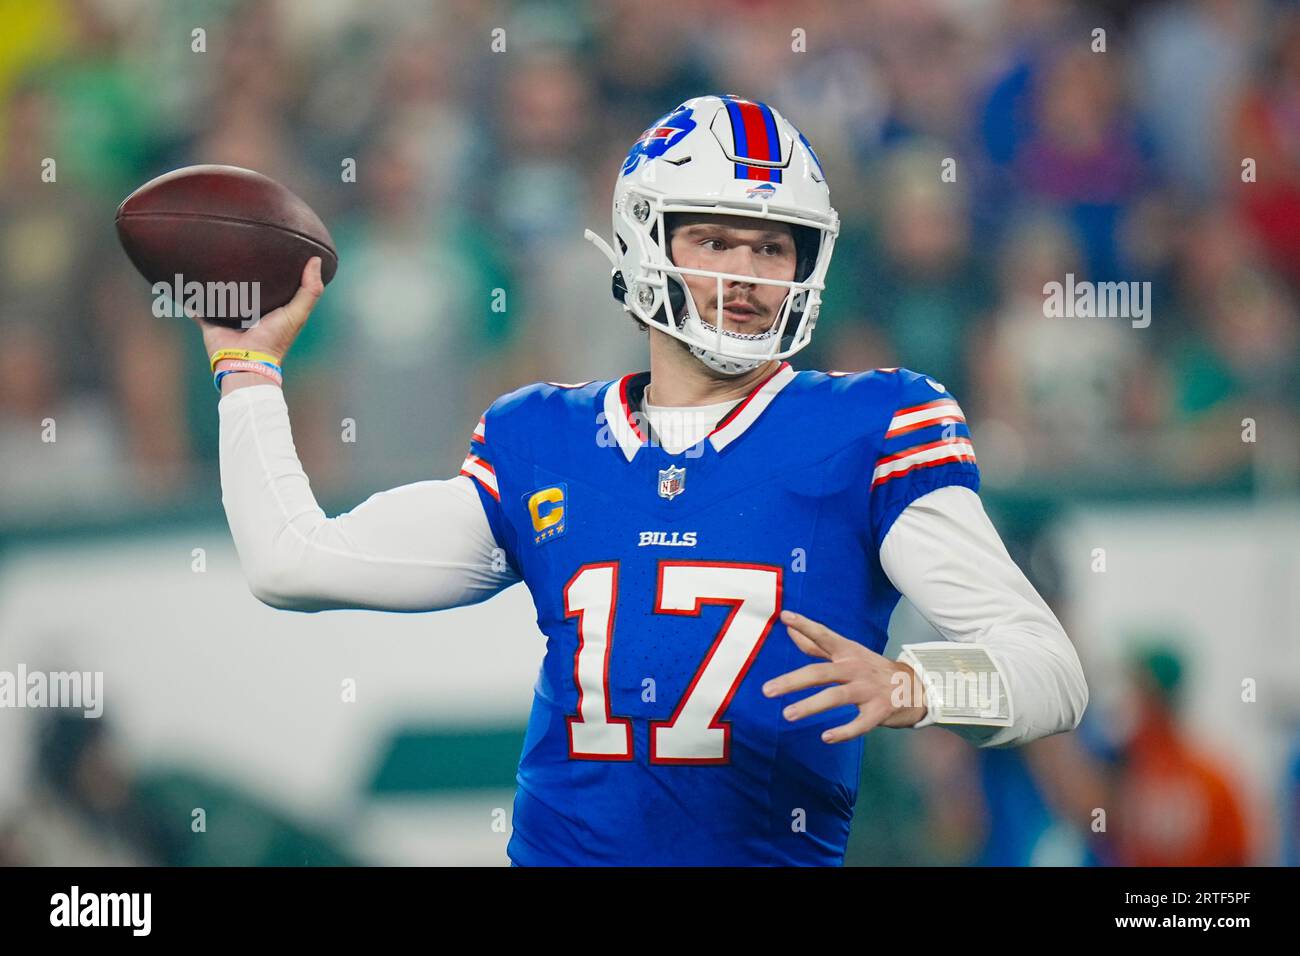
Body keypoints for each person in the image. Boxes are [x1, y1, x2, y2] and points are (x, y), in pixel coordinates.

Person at [201, 95, 1088, 866]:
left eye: (773, 248)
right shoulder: (543, 442)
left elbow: (1050, 671)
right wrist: (248, 368)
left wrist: (916, 686)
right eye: (713, 240)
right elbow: (292, 561)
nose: (744, 276)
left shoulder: (871, 430)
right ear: (644, 241)